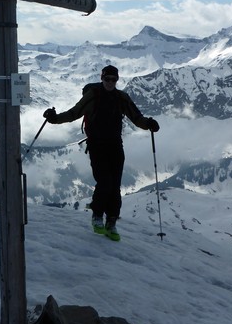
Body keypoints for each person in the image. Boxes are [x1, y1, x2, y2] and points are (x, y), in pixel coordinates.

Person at [43, 64, 159, 242]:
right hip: (97, 146)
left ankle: (111, 222)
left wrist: (148, 123)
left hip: (115, 146)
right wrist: (55, 118)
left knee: (115, 186)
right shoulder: (93, 96)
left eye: (114, 79)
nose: (110, 82)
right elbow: (74, 113)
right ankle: (97, 215)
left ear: (117, 80)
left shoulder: (121, 98)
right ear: (102, 78)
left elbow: (136, 117)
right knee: (105, 182)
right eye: (107, 79)